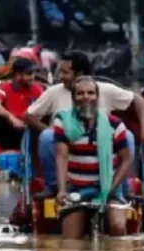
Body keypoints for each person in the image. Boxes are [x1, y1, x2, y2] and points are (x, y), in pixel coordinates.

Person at [25, 51, 144, 191]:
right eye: (80, 94)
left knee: (127, 136)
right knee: (47, 137)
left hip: (101, 144)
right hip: (66, 144)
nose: (60, 77)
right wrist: (48, 130)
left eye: (65, 72)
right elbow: (29, 115)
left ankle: (119, 186)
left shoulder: (104, 90)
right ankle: (54, 186)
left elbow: (137, 100)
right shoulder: (56, 92)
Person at [53, 77, 133, 240]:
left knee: (118, 227)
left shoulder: (115, 125)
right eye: (80, 93)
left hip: (110, 189)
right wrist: (61, 190)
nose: (86, 97)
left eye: (90, 93)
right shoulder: (63, 121)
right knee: (70, 240)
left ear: (97, 97)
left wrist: (110, 189)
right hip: (77, 189)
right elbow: (62, 156)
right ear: (73, 98)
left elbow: (126, 159)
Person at [0, 57, 44, 166]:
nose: (32, 77)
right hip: (10, 131)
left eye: (33, 73)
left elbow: (43, 108)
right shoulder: (5, 87)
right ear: (18, 75)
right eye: (29, 74)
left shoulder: (37, 89)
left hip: (30, 129)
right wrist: (11, 118)